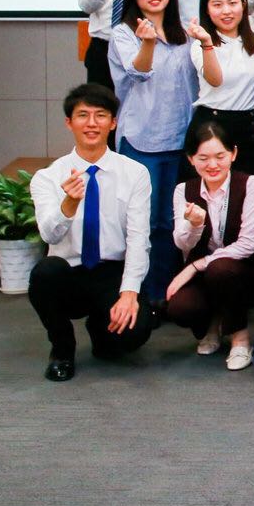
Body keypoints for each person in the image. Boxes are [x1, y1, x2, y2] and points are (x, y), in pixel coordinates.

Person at [27, 84, 155, 381]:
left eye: (101, 115)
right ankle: (62, 348)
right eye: (83, 115)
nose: (92, 123)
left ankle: (101, 328)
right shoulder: (48, 177)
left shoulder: (135, 173)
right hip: (69, 272)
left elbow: (139, 238)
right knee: (45, 273)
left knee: (132, 335)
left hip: (112, 271)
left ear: (113, 123)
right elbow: (49, 236)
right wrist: (69, 204)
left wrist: (129, 293)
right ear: (69, 123)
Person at [109, 0, 198, 302]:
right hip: (141, 139)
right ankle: (142, 295)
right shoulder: (123, 33)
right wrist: (147, 42)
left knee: (172, 221)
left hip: (181, 138)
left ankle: (167, 292)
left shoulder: (185, 33)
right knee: (143, 221)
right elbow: (139, 72)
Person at [164, 122, 254, 372]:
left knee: (221, 269)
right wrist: (195, 226)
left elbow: (248, 244)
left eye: (220, 156)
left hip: (247, 272)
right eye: (203, 158)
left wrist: (195, 266)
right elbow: (181, 243)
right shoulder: (183, 190)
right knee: (180, 308)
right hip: (207, 277)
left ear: (233, 154)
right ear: (191, 159)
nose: (212, 165)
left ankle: (240, 339)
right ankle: (213, 324)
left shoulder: (250, 184)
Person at [183, 0, 254, 175]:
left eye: (232, 3)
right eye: (217, 5)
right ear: (207, 10)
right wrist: (207, 43)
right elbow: (215, 80)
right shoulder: (200, 44)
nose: (226, 11)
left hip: (248, 126)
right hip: (212, 125)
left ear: (244, 5)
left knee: (247, 188)